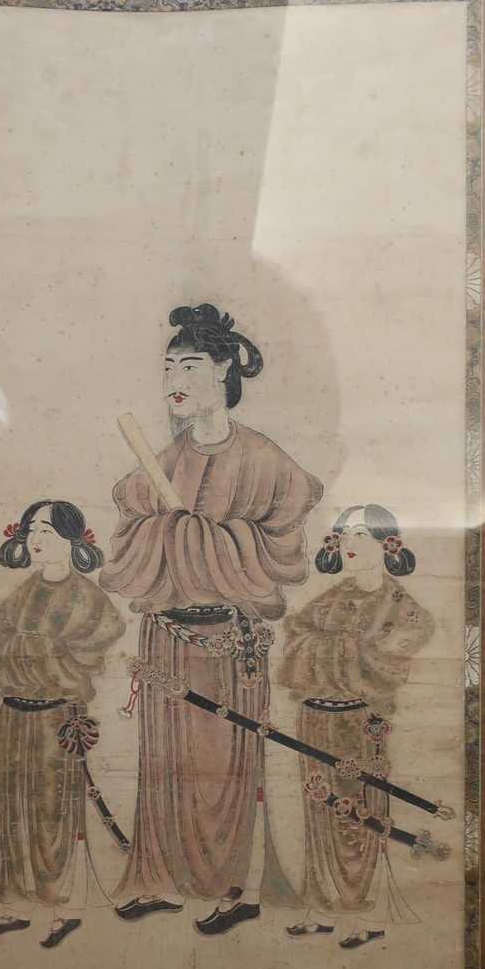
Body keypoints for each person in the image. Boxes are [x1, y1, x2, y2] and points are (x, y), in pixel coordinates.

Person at [100, 303, 323, 936]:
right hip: (167, 637)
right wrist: (171, 532)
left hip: (231, 637)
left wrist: (204, 539)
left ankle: (237, 887)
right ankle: (159, 879)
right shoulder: (165, 458)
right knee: (164, 762)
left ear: (223, 369)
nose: (175, 379)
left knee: (227, 763)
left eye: (190, 365)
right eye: (169, 366)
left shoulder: (263, 458)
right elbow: (130, 534)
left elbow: (282, 551)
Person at [270, 503, 435, 948]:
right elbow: (295, 638)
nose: (348, 545)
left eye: (360, 535)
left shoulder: (404, 608)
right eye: (343, 535)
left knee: (358, 813)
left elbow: (385, 660)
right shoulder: (331, 598)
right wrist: (343, 648)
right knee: (318, 811)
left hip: (359, 721)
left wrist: (328, 649)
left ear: (388, 544)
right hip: (314, 719)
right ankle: (322, 908)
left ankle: (366, 915)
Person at [0, 499, 125, 948]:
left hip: (56, 715)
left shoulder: (89, 598)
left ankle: (65, 907)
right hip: (13, 716)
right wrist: (22, 651)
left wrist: (22, 651)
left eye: (47, 532)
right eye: (32, 531)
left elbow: (81, 659)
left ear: (72, 540)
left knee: (54, 811)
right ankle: (18, 903)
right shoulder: (25, 591)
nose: (35, 540)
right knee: (15, 808)